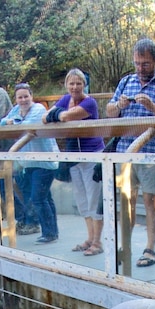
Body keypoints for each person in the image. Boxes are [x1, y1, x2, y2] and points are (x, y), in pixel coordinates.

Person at [106, 38, 155, 268]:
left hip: (153, 152)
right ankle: (125, 246)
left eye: (145, 64)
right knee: (126, 200)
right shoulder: (126, 82)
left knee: (151, 201)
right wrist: (119, 106)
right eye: (137, 63)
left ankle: (150, 249)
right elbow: (109, 112)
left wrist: (153, 108)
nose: (140, 68)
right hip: (125, 152)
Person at [44, 68, 105, 256]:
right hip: (74, 158)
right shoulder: (65, 99)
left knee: (94, 199)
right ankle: (89, 238)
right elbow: (46, 118)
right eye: (71, 83)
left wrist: (59, 114)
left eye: (78, 83)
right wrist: (58, 114)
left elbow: (66, 116)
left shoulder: (90, 103)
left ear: (84, 85)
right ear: (66, 85)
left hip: (92, 156)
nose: (75, 87)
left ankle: (98, 242)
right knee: (82, 199)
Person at [0, 83, 60, 244]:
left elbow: (28, 126)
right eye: (20, 97)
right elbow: (2, 123)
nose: (23, 100)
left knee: (38, 198)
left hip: (44, 161)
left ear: (31, 96)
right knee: (45, 197)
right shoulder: (15, 110)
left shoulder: (38, 109)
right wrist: (9, 122)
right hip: (27, 163)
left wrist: (14, 123)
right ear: (16, 99)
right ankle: (52, 231)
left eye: (26, 96)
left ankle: (49, 233)